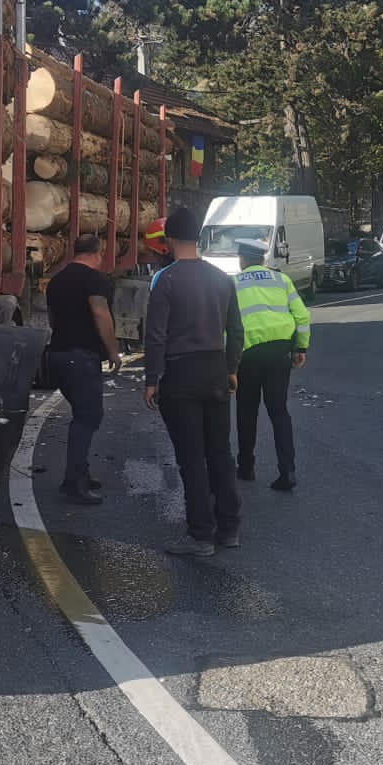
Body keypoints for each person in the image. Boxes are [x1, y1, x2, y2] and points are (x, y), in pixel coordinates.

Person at [144, 207, 246, 558]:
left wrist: (152, 378)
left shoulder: (165, 281)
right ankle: (229, 526)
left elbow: (155, 335)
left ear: (169, 240)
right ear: (198, 237)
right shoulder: (222, 278)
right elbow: (237, 330)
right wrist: (231, 367)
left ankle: (200, 534)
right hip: (216, 370)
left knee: (191, 458)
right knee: (220, 452)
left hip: (180, 373)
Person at [45, 233, 122, 504]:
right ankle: (73, 482)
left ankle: (82, 472)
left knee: (82, 413)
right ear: (97, 252)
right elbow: (101, 313)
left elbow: (53, 320)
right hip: (81, 358)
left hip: (57, 355)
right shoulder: (94, 280)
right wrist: (113, 350)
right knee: (88, 417)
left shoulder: (56, 281)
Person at [232, 238, 310, 492]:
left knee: (246, 411)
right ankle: (287, 471)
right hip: (279, 353)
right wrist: (300, 348)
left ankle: (246, 467)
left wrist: (228, 363)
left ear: (242, 260)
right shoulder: (282, 280)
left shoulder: (232, 284)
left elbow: (227, 327)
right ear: (263, 259)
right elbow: (302, 316)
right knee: (279, 412)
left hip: (248, 356)